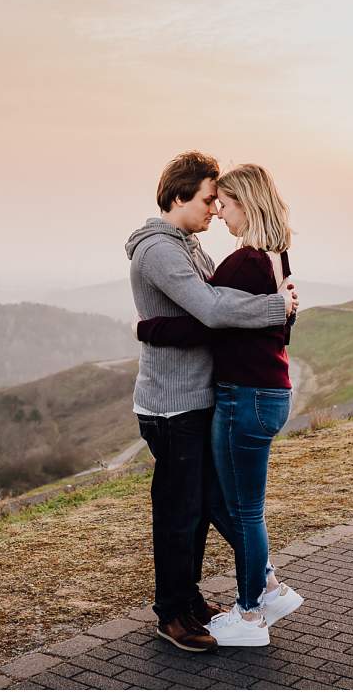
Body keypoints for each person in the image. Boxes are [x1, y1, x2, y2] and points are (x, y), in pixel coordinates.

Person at [126, 151, 298, 652]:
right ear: (179, 196)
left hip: (198, 397)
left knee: (202, 508)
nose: (214, 210)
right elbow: (212, 308)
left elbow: (219, 307)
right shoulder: (160, 251)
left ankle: (194, 598)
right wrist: (276, 307)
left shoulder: (190, 246)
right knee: (179, 512)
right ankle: (173, 613)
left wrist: (277, 309)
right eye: (207, 199)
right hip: (171, 404)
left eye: (220, 201)